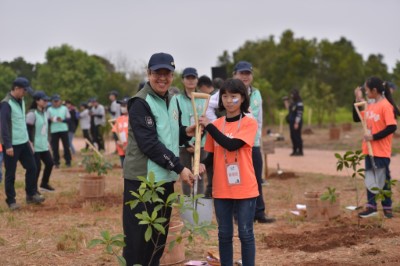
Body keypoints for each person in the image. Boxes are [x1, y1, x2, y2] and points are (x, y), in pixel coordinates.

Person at [122, 52, 197, 266]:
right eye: (157, 73)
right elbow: (150, 144)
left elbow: (170, 134)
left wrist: (187, 132)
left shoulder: (171, 101)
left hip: (164, 179)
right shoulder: (140, 103)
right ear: (148, 73)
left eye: (167, 73)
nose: (162, 78)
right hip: (143, 181)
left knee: (157, 239)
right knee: (138, 242)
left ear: (172, 76)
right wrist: (180, 167)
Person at [199, 78, 259, 266]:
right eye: (224, 96)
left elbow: (231, 145)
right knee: (224, 233)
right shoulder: (217, 124)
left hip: (245, 188)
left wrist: (208, 125)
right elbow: (210, 156)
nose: (228, 100)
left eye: (233, 96)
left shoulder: (249, 123)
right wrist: (199, 164)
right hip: (222, 188)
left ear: (242, 98)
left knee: (245, 232)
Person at [233, 61, 275, 224]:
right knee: (238, 179)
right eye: (241, 73)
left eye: (247, 73)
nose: (245, 76)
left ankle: (259, 212)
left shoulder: (256, 93)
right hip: (237, 145)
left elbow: (259, 119)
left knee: (256, 178)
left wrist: (258, 138)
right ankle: (238, 215)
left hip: (254, 144)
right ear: (235, 74)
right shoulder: (229, 93)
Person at [353, 77, 399, 219]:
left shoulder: (385, 106)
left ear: (374, 90)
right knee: (370, 178)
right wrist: (357, 99)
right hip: (369, 150)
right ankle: (371, 207)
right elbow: (356, 117)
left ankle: (387, 207)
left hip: (381, 151)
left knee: (383, 179)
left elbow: (392, 127)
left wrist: (374, 137)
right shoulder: (370, 105)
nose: (365, 92)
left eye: (367, 90)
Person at [0, 77, 44, 210]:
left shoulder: (21, 100)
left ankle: (31, 195)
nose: (25, 93)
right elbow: (3, 126)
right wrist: (7, 145)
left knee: (32, 167)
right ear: (17, 89)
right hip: (12, 145)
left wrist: (28, 141)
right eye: (24, 90)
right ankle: (11, 200)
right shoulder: (6, 104)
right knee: (10, 173)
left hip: (24, 142)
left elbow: (21, 123)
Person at [176, 67, 206, 196]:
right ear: (183, 80)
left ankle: (199, 201)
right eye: (187, 78)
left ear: (197, 80)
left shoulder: (203, 98)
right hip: (184, 145)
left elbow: (205, 121)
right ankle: (188, 202)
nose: (190, 81)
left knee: (199, 174)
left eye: (193, 78)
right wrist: (187, 143)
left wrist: (198, 142)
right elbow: (175, 122)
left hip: (201, 143)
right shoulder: (176, 99)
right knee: (186, 174)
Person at [26, 91, 55, 192]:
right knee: (36, 168)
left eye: (47, 100)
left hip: (43, 145)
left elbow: (45, 128)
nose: (46, 101)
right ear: (37, 101)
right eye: (44, 100)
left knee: (50, 163)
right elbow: (28, 129)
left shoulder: (45, 113)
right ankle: (33, 189)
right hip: (34, 146)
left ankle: (44, 183)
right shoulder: (32, 114)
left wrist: (47, 141)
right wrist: (30, 143)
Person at [197, 75, 220, 198]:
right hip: (213, 138)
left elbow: (215, 122)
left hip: (218, 139)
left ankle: (209, 194)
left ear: (203, 87)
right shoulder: (216, 96)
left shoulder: (215, 99)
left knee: (213, 171)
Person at [47, 94, 72, 168]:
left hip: (63, 129)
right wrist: (50, 119)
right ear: (52, 102)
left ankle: (68, 161)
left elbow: (69, 118)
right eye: (54, 101)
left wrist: (62, 120)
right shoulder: (49, 109)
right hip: (54, 130)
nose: (56, 102)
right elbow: (47, 119)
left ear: (60, 101)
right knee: (55, 147)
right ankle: (56, 162)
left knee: (66, 146)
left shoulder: (64, 108)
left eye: (57, 101)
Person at [284, 88, 304, 156]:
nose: (292, 96)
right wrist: (286, 101)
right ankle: (295, 150)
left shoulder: (299, 103)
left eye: (293, 94)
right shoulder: (293, 103)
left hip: (296, 123)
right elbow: (288, 109)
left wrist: (297, 123)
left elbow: (299, 113)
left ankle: (300, 151)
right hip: (291, 122)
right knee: (292, 136)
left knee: (297, 136)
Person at [111, 96, 129, 167]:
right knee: (124, 168)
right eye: (121, 105)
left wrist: (128, 145)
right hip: (121, 148)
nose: (122, 107)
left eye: (124, 105)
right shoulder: (119, 119)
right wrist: (118, 141)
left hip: (131, 149)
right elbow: (115, 132)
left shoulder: (133, 119)